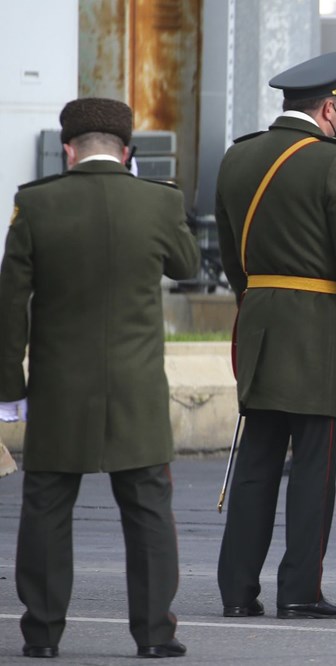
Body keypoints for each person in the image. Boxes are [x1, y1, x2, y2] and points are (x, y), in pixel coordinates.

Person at [0, 97, 199, 658]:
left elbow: (10, 303)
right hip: (136, 388)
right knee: (149, 511)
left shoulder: (36, 204)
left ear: (69, 150)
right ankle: (155, 635)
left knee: (46, 510)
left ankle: (41, 636)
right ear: (127, 151)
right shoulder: (158, 202)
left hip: (60, 388)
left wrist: (9, 389)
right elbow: (188, 267)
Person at [213, 52, 336, 620]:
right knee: (314, 465)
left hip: (260, 316)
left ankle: (237, 592)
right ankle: (300, 590)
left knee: (258, 461)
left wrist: (254, 297)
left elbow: (230, 248)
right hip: (317, 328)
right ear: (330, 108)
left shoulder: (239, 156)